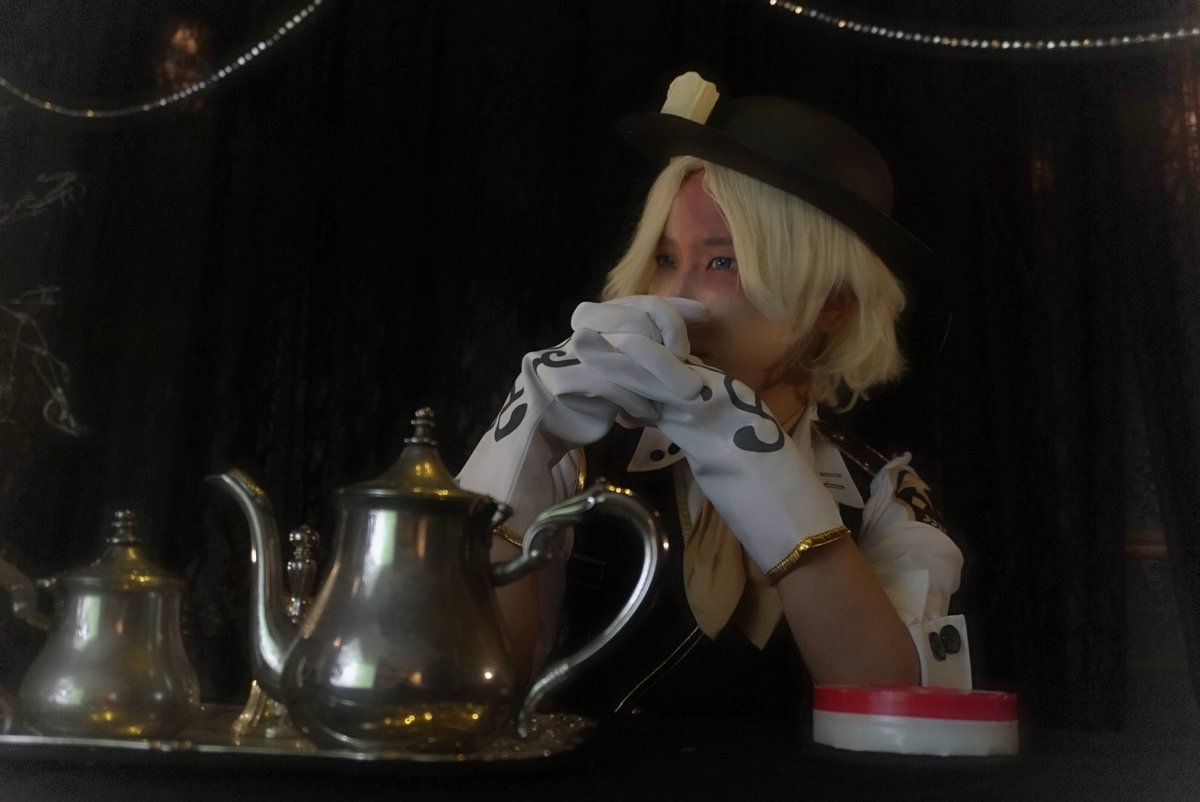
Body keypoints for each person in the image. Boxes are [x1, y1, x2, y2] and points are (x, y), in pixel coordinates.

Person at [456, 72, 970, 720]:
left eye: (723, 262)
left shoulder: (881, 495)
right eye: (667, 259)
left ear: (834, 303)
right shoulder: (579, 455)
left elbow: (894, 706)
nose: (676, 297)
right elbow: (467, 691)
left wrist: (771, 479)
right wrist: (514, 459)